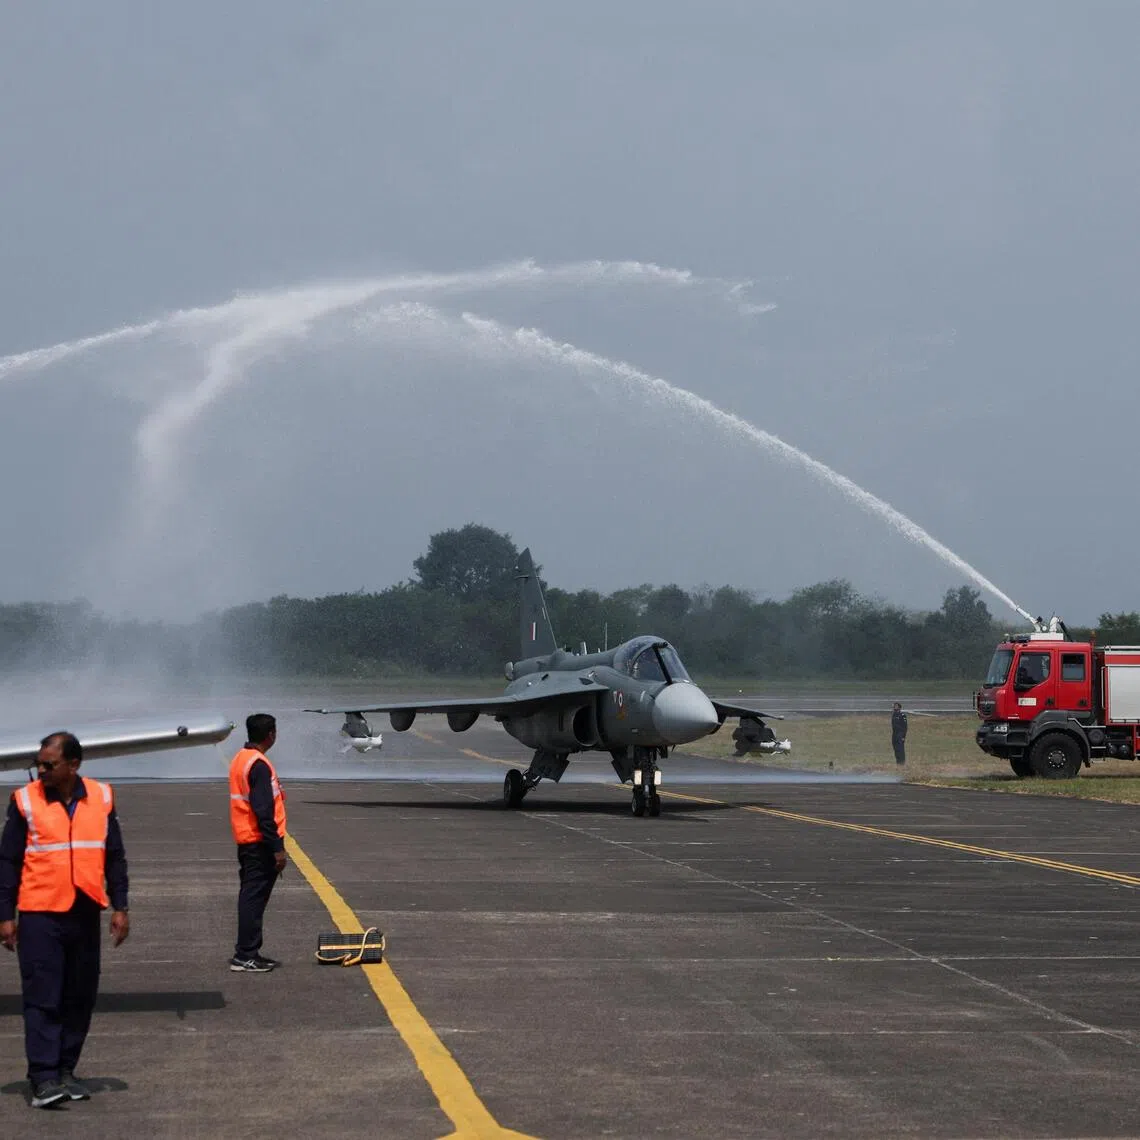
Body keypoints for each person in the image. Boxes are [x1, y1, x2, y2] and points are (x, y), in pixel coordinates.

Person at [0, 732, 130, 1109]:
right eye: (39, 764)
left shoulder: (102, 798)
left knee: (80, 995)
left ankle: (65, 1071)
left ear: (73, 766)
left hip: (85, 912)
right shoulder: (25, 801)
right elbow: (7, 861)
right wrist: (5, 915)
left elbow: (115, 856)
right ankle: (42, 1077)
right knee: (43, 997)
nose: (40, 771)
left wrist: (120, 906)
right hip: (40, 914)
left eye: (49, 765)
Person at [228, 713, 287, 973]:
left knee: (251, 897)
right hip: (259, 843)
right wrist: (277, 848)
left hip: (248, 840)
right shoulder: (259, 765)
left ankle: (249, 951)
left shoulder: (241, 759)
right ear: (270, 735)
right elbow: (264, 811)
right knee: (253, 899)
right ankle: (246, 955)